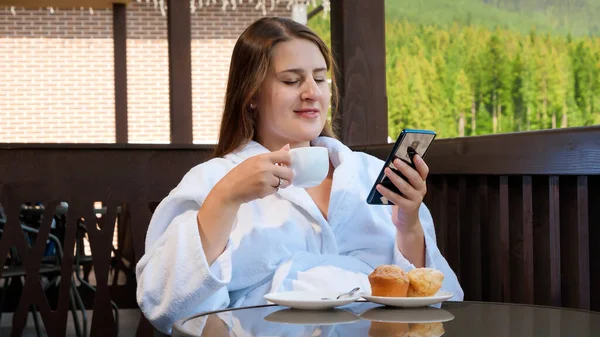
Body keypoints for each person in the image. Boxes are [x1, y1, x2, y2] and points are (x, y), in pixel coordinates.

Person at [135, 16, 463, 334]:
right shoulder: (214, 180)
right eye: (292, 80)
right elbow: (166, 307)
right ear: (251, 96)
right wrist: (226, 198)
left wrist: (409, 223)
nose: (311, 92)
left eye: (320, 78)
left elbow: (440, 302)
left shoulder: (368, 173)